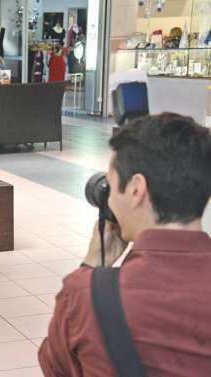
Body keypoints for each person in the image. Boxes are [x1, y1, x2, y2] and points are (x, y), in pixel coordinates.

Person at [39, 113, 211, 376]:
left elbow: (54, 368)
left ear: (135, 189)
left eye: (111, 184)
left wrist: (92, 265)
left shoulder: (88, 295)